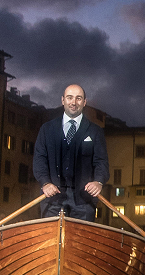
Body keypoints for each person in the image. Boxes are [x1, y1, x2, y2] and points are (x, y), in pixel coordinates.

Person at [33, 83, 109, 221]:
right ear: (63, 100)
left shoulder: (95, 131)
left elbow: (101, 161)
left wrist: (98, 181)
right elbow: (39, 159)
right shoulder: (47, 129)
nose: (73, 102)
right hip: (52, 199)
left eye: (78, 98)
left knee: (81, 235)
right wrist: (45, 183)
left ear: (84, 102)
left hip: (84, 200)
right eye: (69, 97)